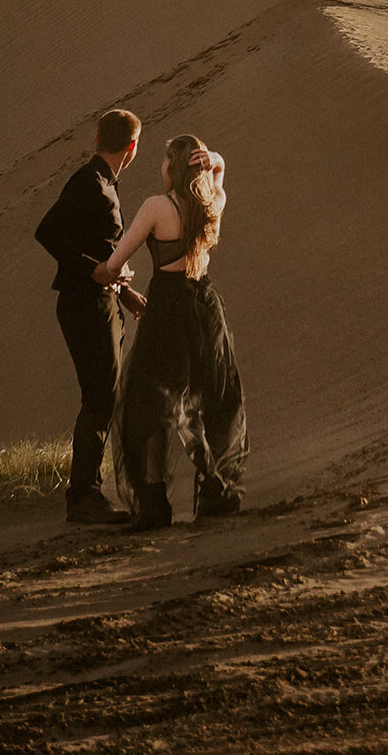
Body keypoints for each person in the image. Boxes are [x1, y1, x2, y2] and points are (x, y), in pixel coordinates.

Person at [95, 134, 248, 531]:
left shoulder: (157, 207)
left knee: (148, 408)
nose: (160, 168)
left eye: (165, 161)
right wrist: (216, 162)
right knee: (208, 401)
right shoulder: (212, 202)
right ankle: (215, 490)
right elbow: (219, 175)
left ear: (173, 166)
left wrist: (115, 278)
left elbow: (114, 263)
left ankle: (154, 503)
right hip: (205, 312)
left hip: (166, 313)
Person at [35, 107, 146, 525]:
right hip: (85, 303)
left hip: (100, 298)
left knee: (105, 393)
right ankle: (83, 496)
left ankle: (87, 493)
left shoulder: (102, 184)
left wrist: (122, 289)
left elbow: (94, 246)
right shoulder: (92, 184)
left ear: (98, 139)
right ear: (131, 148)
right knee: (100, 394)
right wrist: (94, 270)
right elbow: (47, 231)